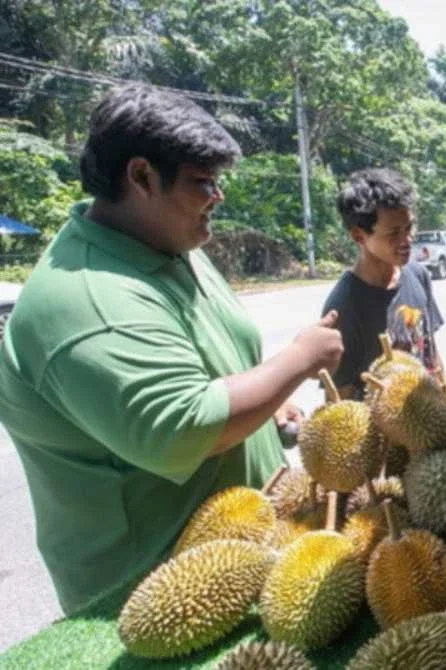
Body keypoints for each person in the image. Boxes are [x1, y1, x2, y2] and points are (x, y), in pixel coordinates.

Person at [0, 85, 345, 615]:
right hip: (149, 595)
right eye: (202, 181)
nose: (218, 196)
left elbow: (208, 357)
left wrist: (269, 400)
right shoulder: (88, 301)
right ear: (141, 177)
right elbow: (182, 425)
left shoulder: (168, 240)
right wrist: (300, 359)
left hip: (244, 556)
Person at [320, 168, 444, 400]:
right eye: (394, 233)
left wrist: (444, 397)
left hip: (429, 415)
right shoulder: (344, 307)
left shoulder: (418, 275)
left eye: (409, 228)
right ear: (359, 236)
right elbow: (339, 397)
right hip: (381, 430)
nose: (407, 240)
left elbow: (431, 353)